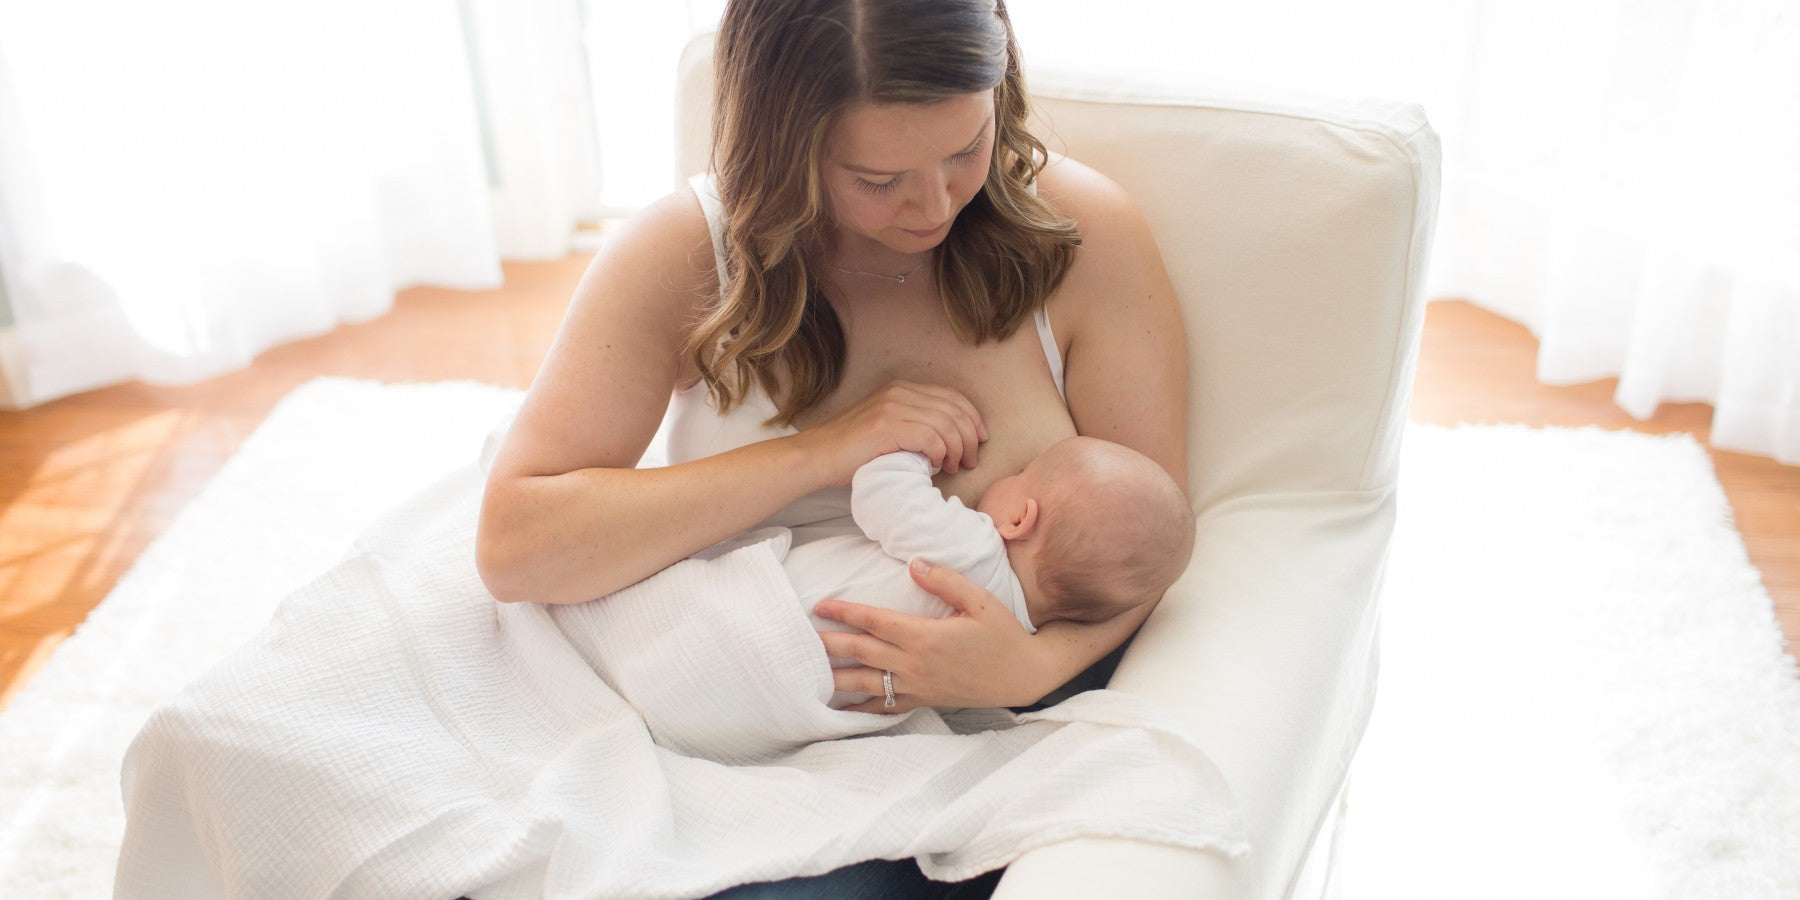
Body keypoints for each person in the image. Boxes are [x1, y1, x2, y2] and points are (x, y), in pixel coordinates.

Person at [475, 0, 1188, 892]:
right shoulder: (685, 253)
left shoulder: (1079, 241)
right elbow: (514, 545)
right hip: (701, 692)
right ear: (785, 146)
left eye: (965, 149)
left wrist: (1033, 664)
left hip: (944, 754)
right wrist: (829, 450)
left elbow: (1153, 544)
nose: (934, 205)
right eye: (878, 177)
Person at [791, 437, 1196, 709]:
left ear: (1019, 519)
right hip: (818, 695)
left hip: (774, 612)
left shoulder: (975, 552)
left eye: (1020, 475)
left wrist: (919, 447)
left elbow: (878, 492)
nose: (1008, 476)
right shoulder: (1013, 636)